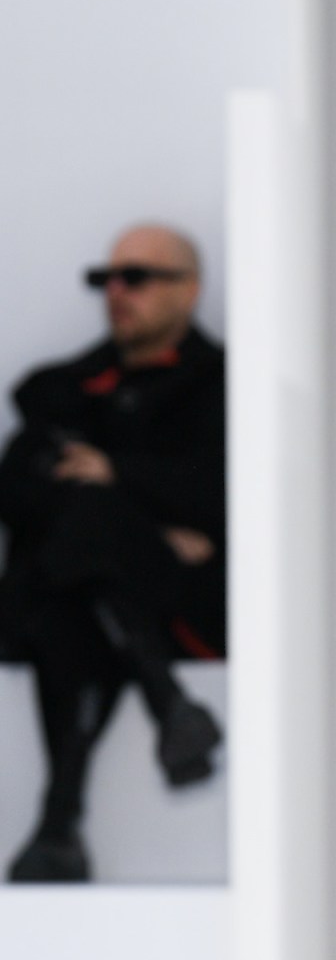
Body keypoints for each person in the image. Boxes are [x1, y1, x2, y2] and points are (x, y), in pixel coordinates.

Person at [0, 222, 226, 883]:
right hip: (84, 602)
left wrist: (115, 476)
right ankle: (165, 703)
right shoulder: (64, 390)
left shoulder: (220, 386)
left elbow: (221, 492)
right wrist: (153, 526)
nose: (117, 292)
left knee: (82, 541)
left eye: (137, 278)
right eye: (107, 279)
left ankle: (59, 823)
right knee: (76, 549)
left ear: (189, 289)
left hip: (182, 607)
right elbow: (15, 487)